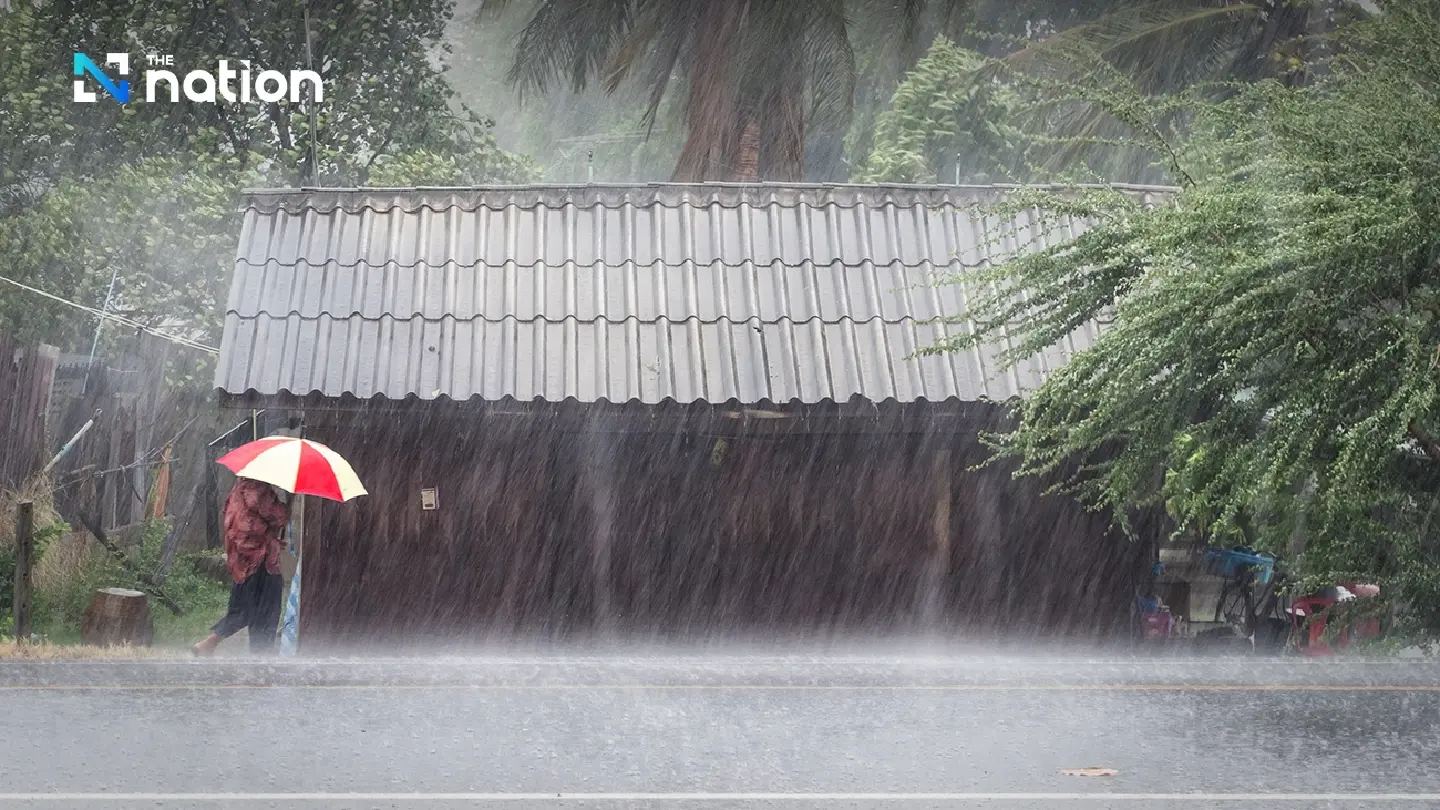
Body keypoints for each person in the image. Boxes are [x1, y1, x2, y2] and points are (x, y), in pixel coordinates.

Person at [192, 478, 290, 656]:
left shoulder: (237, 490)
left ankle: (208, 644)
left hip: (243, 561)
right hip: (260, 562)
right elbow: (277, 516)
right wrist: (287, 504)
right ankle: (260, 660)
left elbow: (249, 526)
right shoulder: (258, 491)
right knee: (266, 613)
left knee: (242, 610)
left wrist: (272, 540)